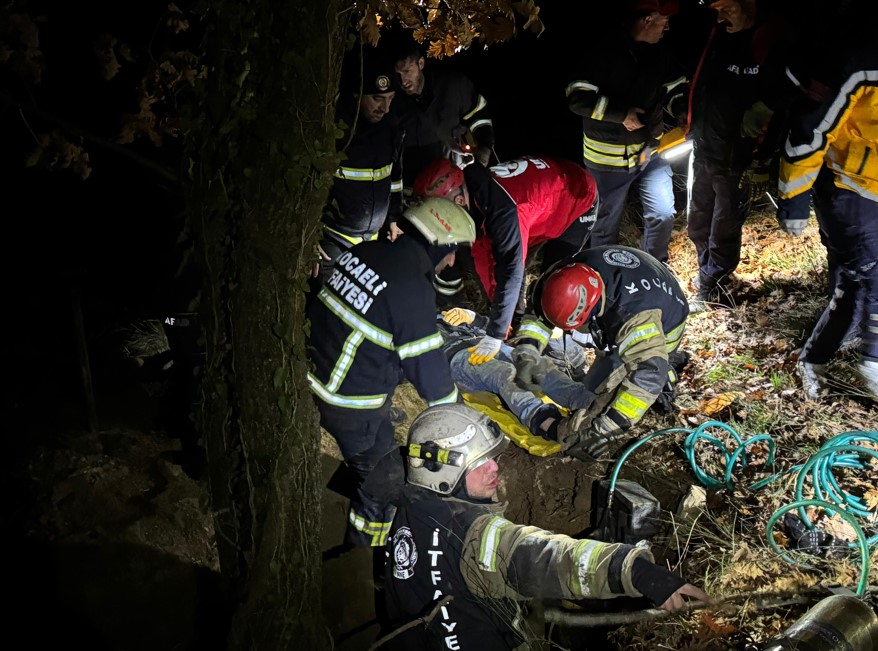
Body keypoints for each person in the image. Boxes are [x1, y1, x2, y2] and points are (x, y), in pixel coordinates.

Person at [367, 403, 709, 649]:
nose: (495, 469)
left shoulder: (408, 508)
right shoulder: (471, 533)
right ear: (444, 472)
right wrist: (636, 572)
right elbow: (546, 558)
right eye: (480, 462)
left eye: (493, 458)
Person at [307, 197, 475, 548]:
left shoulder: (368, 251)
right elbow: (432, 377)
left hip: (313, 371)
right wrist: (462, 418)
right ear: (442, 245)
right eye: (454, 251)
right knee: (386, 483)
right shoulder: (412, 288)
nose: (453, 261)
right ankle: (364, 555)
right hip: (348, 406)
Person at [413, 155, 599, 366]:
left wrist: (495, 334)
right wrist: (501, 318)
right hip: (537, 210)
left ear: (459, 201)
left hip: (577, 196)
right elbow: (484, 259)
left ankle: (566, 358)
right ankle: (517, 327)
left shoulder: (504, 212)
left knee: (552, 289)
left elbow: (511, 269)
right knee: (507, 287)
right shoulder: (474, 196)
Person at [512, 245, 689, 461]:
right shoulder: (559, 277)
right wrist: (527, 352)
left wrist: (605, 430)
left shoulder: (635, 317)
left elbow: (649, 372)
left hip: (666, 320)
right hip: (631, 284)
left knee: (611, 400)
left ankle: (667, 377)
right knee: (589, 393)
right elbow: (538, 317)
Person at [774, 37, 878, 400]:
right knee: (874, 274)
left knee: (852, 284)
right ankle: (874, 367)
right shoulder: (863, 63)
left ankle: (814, 360)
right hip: (847, 185)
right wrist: (794, 201)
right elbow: (811, 133)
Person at [565, 0, 688, 264]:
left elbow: (674, 87)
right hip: (607, 161)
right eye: (664, 21)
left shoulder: (661, 53)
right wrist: (621, 115)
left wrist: (681, 111)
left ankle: (655, 270)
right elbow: (577, 98)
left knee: (663, 213)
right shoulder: (602, 51)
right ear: (647, 19)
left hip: (650, 153)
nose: (667, 28)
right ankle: (606, 277)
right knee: (604, 227)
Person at [686, 0, 785, 311]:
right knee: (697, 223)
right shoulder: (719, 38)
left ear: (750, 6)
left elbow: (778, 107)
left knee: (724, 227)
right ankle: (710, 273)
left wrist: (762, 160)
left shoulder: (768, 43)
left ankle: (712, 283)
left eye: (727, 7)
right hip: (705, 149)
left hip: (737, 160)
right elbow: (702, 86)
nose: (720, 16)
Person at [313, 45, 405, 282]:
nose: (384, 108)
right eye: (377, 99)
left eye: (390, 99)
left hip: (371, 243)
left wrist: (394, 218)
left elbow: (394, 177)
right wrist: (310, 237)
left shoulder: (390, 127)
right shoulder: (334, 129)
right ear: (356, 94)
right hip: (331, 243)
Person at [437, 307, 594, 440]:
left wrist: (472, 317)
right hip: (457, 357)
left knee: (534, 365)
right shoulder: (417, 328)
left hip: (488, 343)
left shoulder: (445, 311)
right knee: (504, 372)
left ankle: (586, 401)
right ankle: (546, 422)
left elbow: (493, 327)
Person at [391, 36, 495, 193]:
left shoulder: (453, 86)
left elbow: (479, 114)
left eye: (407, 71)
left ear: (421, 64)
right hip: (411, 188)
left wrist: (485, 147)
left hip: (452, 183)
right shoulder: (392, 100)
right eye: (397, 74)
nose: (403, 80)